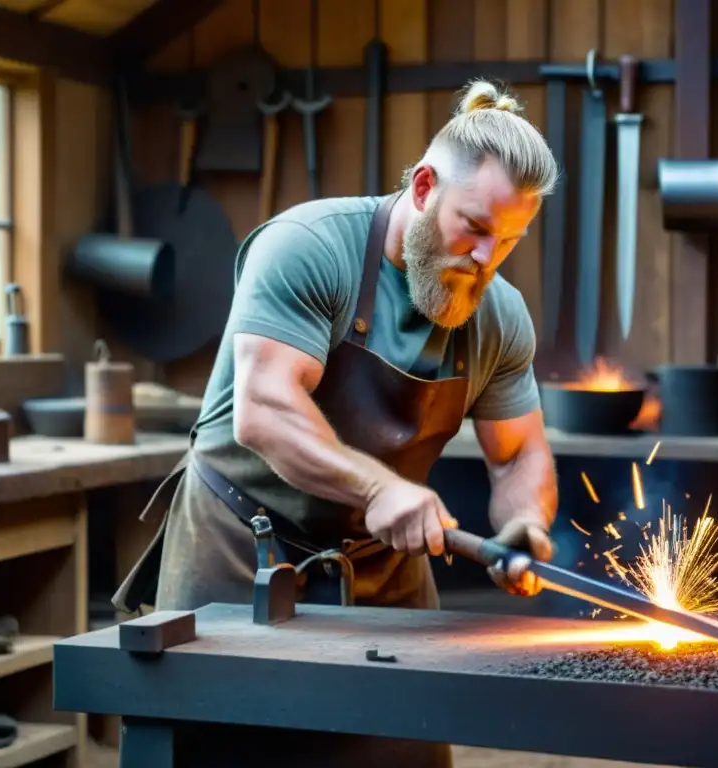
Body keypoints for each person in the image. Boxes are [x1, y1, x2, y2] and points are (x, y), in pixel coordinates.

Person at [113, 79, 560, 766]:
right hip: (241, 552)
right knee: (222, 749)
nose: (484, 258)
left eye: (508, 240)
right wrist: (381, 490)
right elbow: (265, 410)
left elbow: (518, 455)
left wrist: (524, 521)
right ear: (421, 188)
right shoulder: (308, 247)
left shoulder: (499, 315)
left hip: (383, 567)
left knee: (398, 750)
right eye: (472, 227)